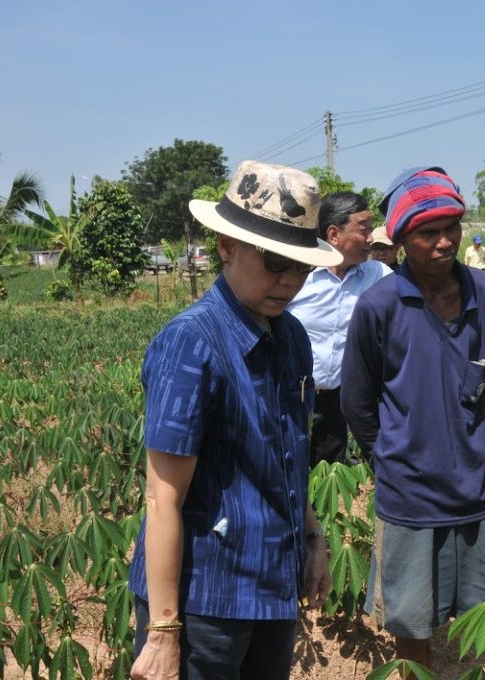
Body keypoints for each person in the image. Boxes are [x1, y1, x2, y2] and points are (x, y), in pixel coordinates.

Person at [129, 160, 337, 680]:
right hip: (206, 603)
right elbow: (162, 497)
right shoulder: (191, 343)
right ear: (226, 246)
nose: (289, 282)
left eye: (301, 267)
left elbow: (284, 457)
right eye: (274, 262)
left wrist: (311, 538)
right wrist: (163, 632)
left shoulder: (291, 338)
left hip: (271, 590)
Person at [341, 167, 485, 669]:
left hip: (478, 483)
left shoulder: (482, 289)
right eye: (427, 233)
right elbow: (357, 401)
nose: (443, 242)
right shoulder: (379, 304)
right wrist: (388, 458)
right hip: (409, 493)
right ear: (404, 238)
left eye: (450, 228)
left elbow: (482, 376)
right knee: (412, 624)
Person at [288, 192, 391, 466]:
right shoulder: (300, 274)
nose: (371, 238)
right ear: (334, 234)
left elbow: (425, 293)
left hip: (337, 401)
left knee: (327, 475)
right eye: (364, 229)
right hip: (290, 396)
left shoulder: (377, 274)